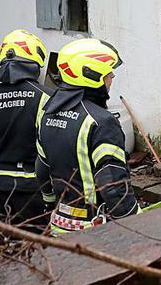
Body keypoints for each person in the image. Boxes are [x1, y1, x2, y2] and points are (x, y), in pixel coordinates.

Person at [36, 38, 139, 234]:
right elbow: (113, 183)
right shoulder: (101, 121)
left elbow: (42, 170)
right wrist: (133, 224)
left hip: (59, 224)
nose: (112, 76)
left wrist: (50, 203)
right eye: (108, 71)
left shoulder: (47, 113)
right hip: (93, 230)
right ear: (91, 74)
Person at [0, 29, 50, 231]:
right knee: (39, 247)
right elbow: (53, 144)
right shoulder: (46, 97)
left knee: (7, 246)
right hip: (35, 187)